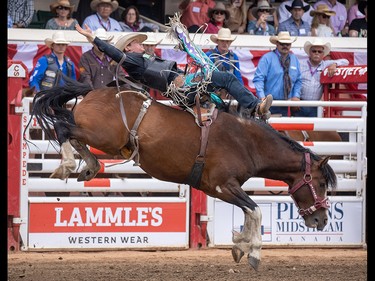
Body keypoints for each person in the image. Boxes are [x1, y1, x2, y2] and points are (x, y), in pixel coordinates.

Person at [76, 23, 273, 118]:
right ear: (128, 48)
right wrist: (92, 38)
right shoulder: (131, 62)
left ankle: (246, 115)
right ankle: (255, 107)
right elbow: (112, 51)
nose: (141, 45)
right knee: (227, 79)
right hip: (182, 89)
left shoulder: (141, 59)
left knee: (219, 98)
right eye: (137, 43)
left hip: (183, 85)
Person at [295, 38, 349, 117]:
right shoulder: (300, 64)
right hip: (300, 104)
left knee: (313, 129)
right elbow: (294, 82)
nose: (317, 53)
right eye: (314, 51)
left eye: (319, 52)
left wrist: (335, 64)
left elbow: (346, 61)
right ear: (309, 53)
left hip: (316, 105)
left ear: (323, 54)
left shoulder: (325, 64)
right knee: (297, 128)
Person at [253, 31, 301, 117]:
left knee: (284, 129)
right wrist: (262, 98)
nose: (285, 46)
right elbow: (258, 79)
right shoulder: (267, 58)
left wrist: (296, 96)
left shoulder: (295, 59)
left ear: (290, 45)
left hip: (286, 104)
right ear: (277, 44)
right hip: (269, 103)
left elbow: (298, 80)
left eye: (287, 44)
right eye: (282, 43)